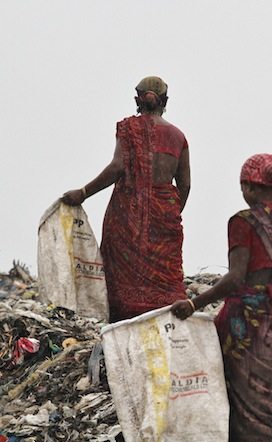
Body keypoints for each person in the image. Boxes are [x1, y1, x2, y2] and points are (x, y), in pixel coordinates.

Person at [171, 154, 272, 442]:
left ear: (250, 187)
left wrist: (194, 304)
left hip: (246, 325)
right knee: (271, 409)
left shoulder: (243, 221)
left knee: (236, 405)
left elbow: (236, 278)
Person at [62, 76, 191, 322]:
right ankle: (167, 323)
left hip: (125, 216)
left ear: (137, 100)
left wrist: (84, 192)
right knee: (166, 285)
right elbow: (185, 184)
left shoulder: (128, 128)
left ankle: (122, 328)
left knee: (120, 281)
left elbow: (117, 167)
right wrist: (169, 214)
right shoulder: (178, 136)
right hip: (165, 217)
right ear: (166, 101)